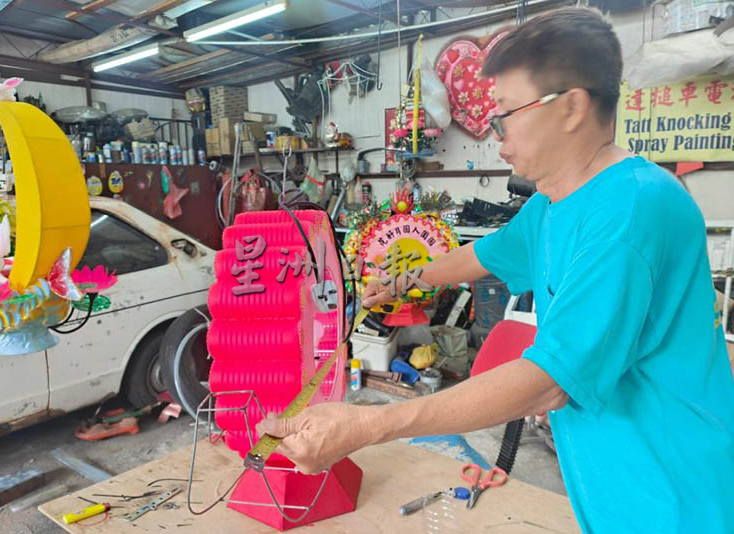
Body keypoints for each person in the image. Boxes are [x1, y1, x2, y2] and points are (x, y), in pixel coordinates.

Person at [257, 8, 734, 533]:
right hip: (612, 483)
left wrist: (371, 424)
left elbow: (548, 381)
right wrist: (403, 281)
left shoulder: (629, 212)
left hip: (672, 496)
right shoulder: (554, 202)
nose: (495, 131)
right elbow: (483, 255)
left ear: (571, 107)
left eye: (505, 113)